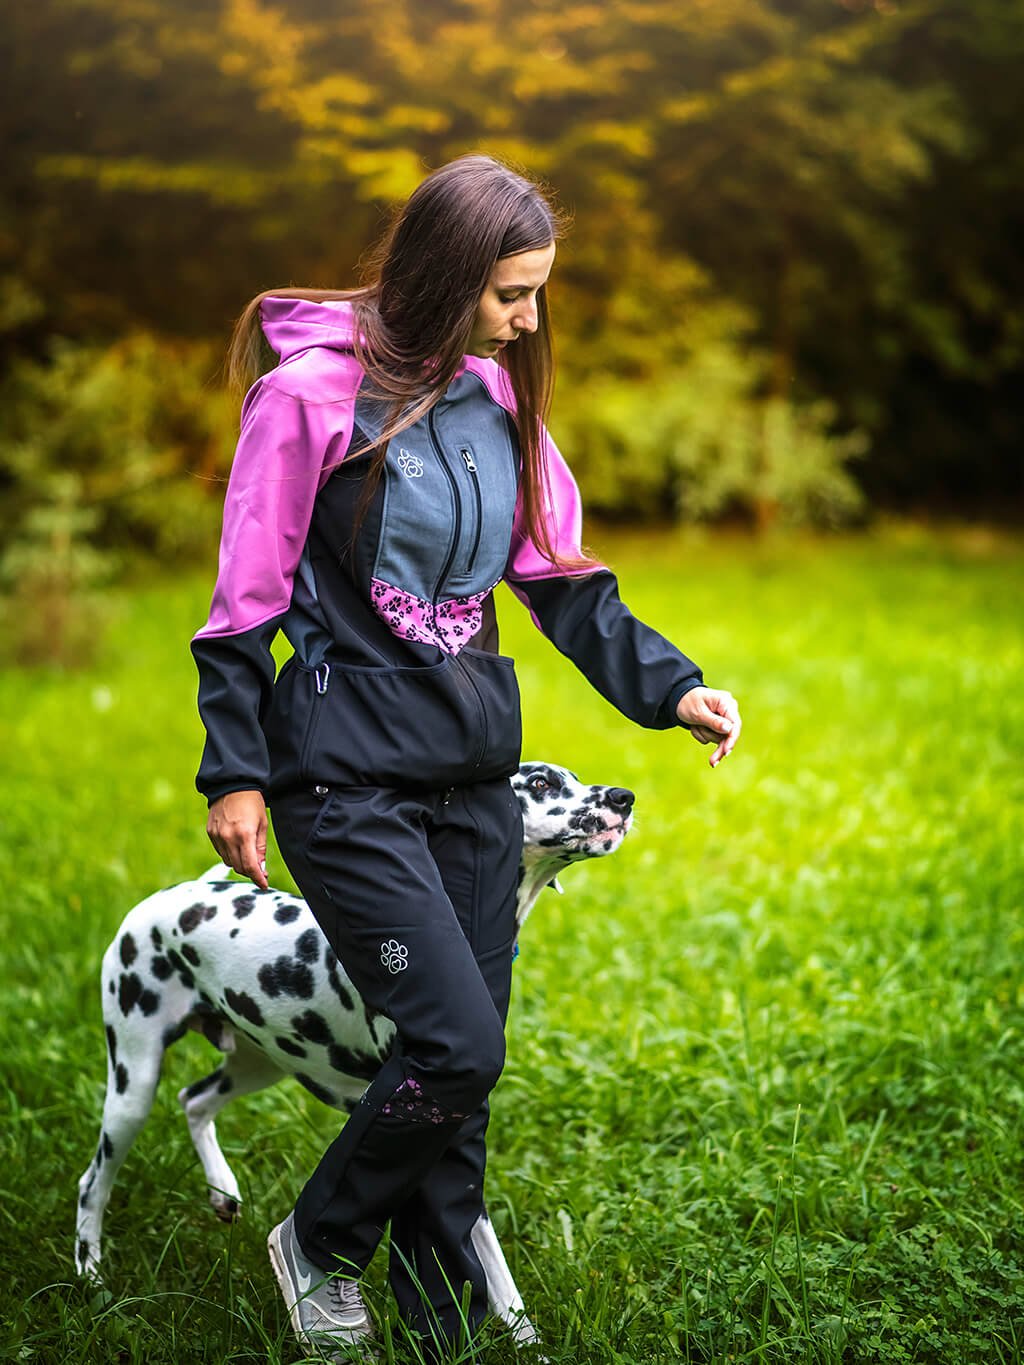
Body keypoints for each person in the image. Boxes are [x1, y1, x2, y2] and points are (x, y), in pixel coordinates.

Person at [192, 154, 741, 1361]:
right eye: (509, 294)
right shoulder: (308, 402)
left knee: (459, 1089)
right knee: (455, 1046)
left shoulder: (495, 402)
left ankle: (433, 1337)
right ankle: (319, 1245)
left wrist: (675, 687)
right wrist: (234, 769)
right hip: (343, 783)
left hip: (472, 780)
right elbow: (242, 602)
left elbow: (563, 582)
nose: (528, 319)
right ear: (447, 279)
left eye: (536, 292)